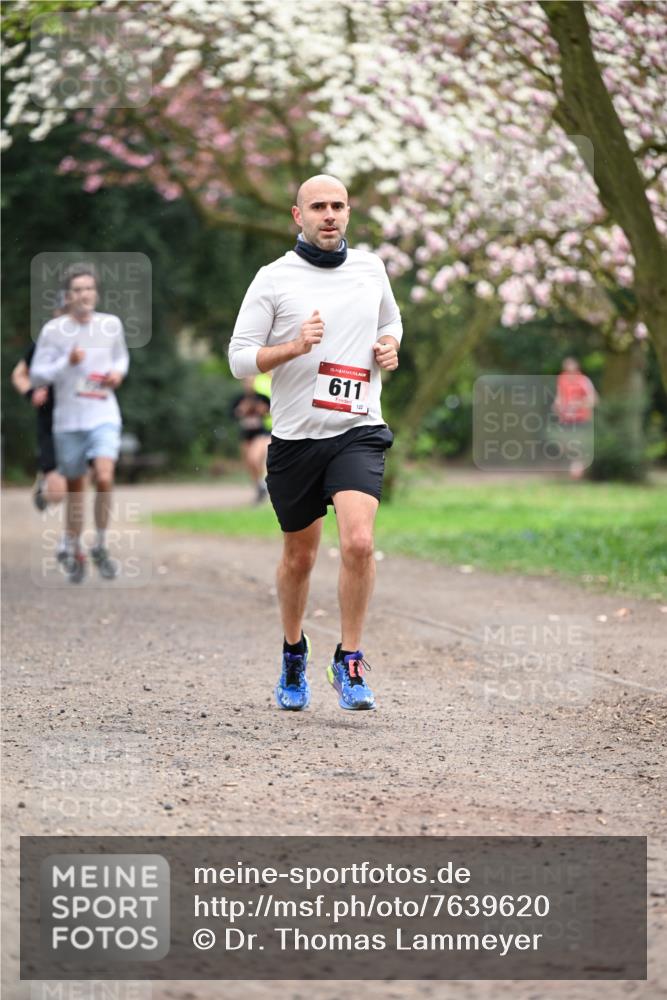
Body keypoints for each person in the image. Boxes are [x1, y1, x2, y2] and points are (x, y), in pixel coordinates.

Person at [229, 174, 402, 712]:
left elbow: (391, 320)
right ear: (296, 215)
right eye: (318, 207)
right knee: (299, 558)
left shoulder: (371, 267)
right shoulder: (274, 279)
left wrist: (389, 345)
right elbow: (239, 358)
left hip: (357, 428)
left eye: (338, 206)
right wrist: (292, 346)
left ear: (349, 213)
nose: (329, 215)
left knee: (357, 543)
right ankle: (293, 652)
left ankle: (349, 658)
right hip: (297, 439)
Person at [30, 264, 129, 583]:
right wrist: (66, 362)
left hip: (103, 414)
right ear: (67, 296)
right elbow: (37, 375)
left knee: (104, 475)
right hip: (68, 421)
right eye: (77, 290)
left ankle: (100, 541)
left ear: (95, 293)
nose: (84, 294)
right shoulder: (53, 331)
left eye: (89, 288)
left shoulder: (111, 325)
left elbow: (120, 359)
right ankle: (72, 543)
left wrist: (117, 375)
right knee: (76, 489)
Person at [11, 345, 67, 518]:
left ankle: (74, 537)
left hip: (86, 422)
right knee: (58, 494)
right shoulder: (44, 344)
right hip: (50, 423)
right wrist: (31, 393)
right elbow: (18, 374)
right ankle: (45, 487)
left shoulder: (94, 342)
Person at [553, 357, 598, 480]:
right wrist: (558, 406)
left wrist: (579, 404)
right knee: (563, 444)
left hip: (581, 418)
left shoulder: (584, 381)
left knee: (578, 445)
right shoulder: (561, 380)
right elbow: (559, 397)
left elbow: (593, 399)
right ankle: (574, 466)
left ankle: (577, 467)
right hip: (566, 419)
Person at [231, 374, 272, 502]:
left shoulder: (262, 398)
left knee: (254, 458)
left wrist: (264, 411)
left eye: (251, 381)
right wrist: (241, 410)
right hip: (246, 436)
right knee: (249, 464)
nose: (248, 384)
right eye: (246, 382)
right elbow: (232, 415)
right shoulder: (239, 399)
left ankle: (263, 484)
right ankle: (259, 488)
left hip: (261, 434)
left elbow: (272, 412)